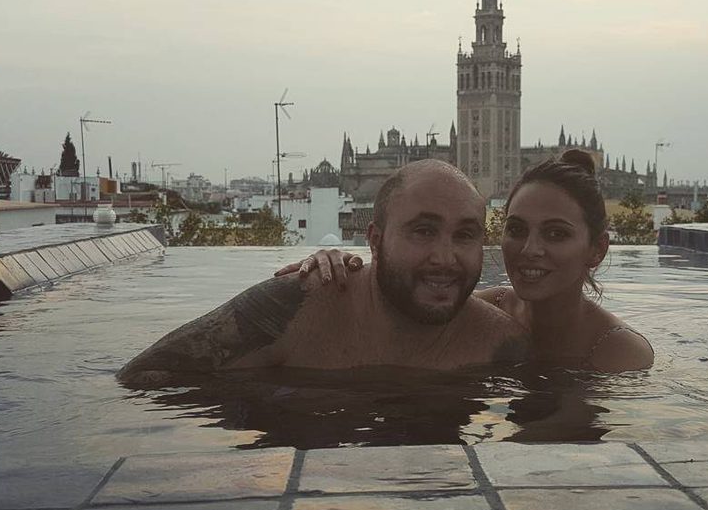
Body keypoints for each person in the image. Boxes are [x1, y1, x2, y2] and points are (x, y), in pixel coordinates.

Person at [117, 161, 529, 389]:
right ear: (374, 240)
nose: (445, 257)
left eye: (465, 235)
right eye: (423, 231)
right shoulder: (293, 308)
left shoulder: (500, 345)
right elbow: (143, 378)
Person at [278, 150, 654, 372]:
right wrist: (341, 264)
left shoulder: (618, 352)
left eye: (556, 234)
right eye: (517, 229)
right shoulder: (484, 311)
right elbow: (401, 298)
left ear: (597, 250)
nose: (530, 249)